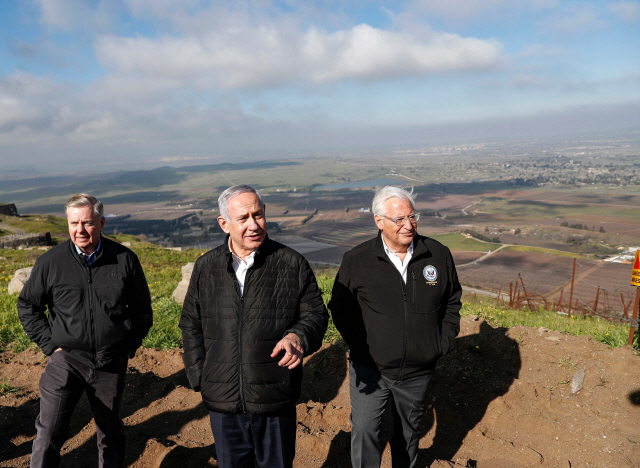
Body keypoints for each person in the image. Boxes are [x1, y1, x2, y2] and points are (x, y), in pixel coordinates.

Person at [179, 184, 328, 468]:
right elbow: (190, 323)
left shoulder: (291, 264)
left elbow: (316, 315)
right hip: (223, 401)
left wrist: (298, 336)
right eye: (243, 218)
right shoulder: (206, 267)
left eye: (258, 215)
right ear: (224, 224)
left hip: (274, 396)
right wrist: (201, 376)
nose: (253, 225)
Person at [329, 186, 462, 468]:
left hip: (418, 370)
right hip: (370, 369)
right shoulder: (358, 260)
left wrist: (441, 343)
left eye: (412, 217)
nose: (408, 224)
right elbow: (341, 309)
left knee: (408, 435)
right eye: (398, 219)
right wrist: (363, 349)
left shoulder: (437, 254)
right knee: (365, 431)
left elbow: (452, 299)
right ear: (379, 221)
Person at [17, 193, 153, 468]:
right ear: (67, 224)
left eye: (88, 223)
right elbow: (28, 306)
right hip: (65, 359)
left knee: (110, 432)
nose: (80, 230)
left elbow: (142, 309)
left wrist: (126, 346)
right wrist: (50, 345)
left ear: (101, 223)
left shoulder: (124, 259)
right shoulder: (50, 262)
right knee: (49, 431)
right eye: (74, 223)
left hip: (110, 361)